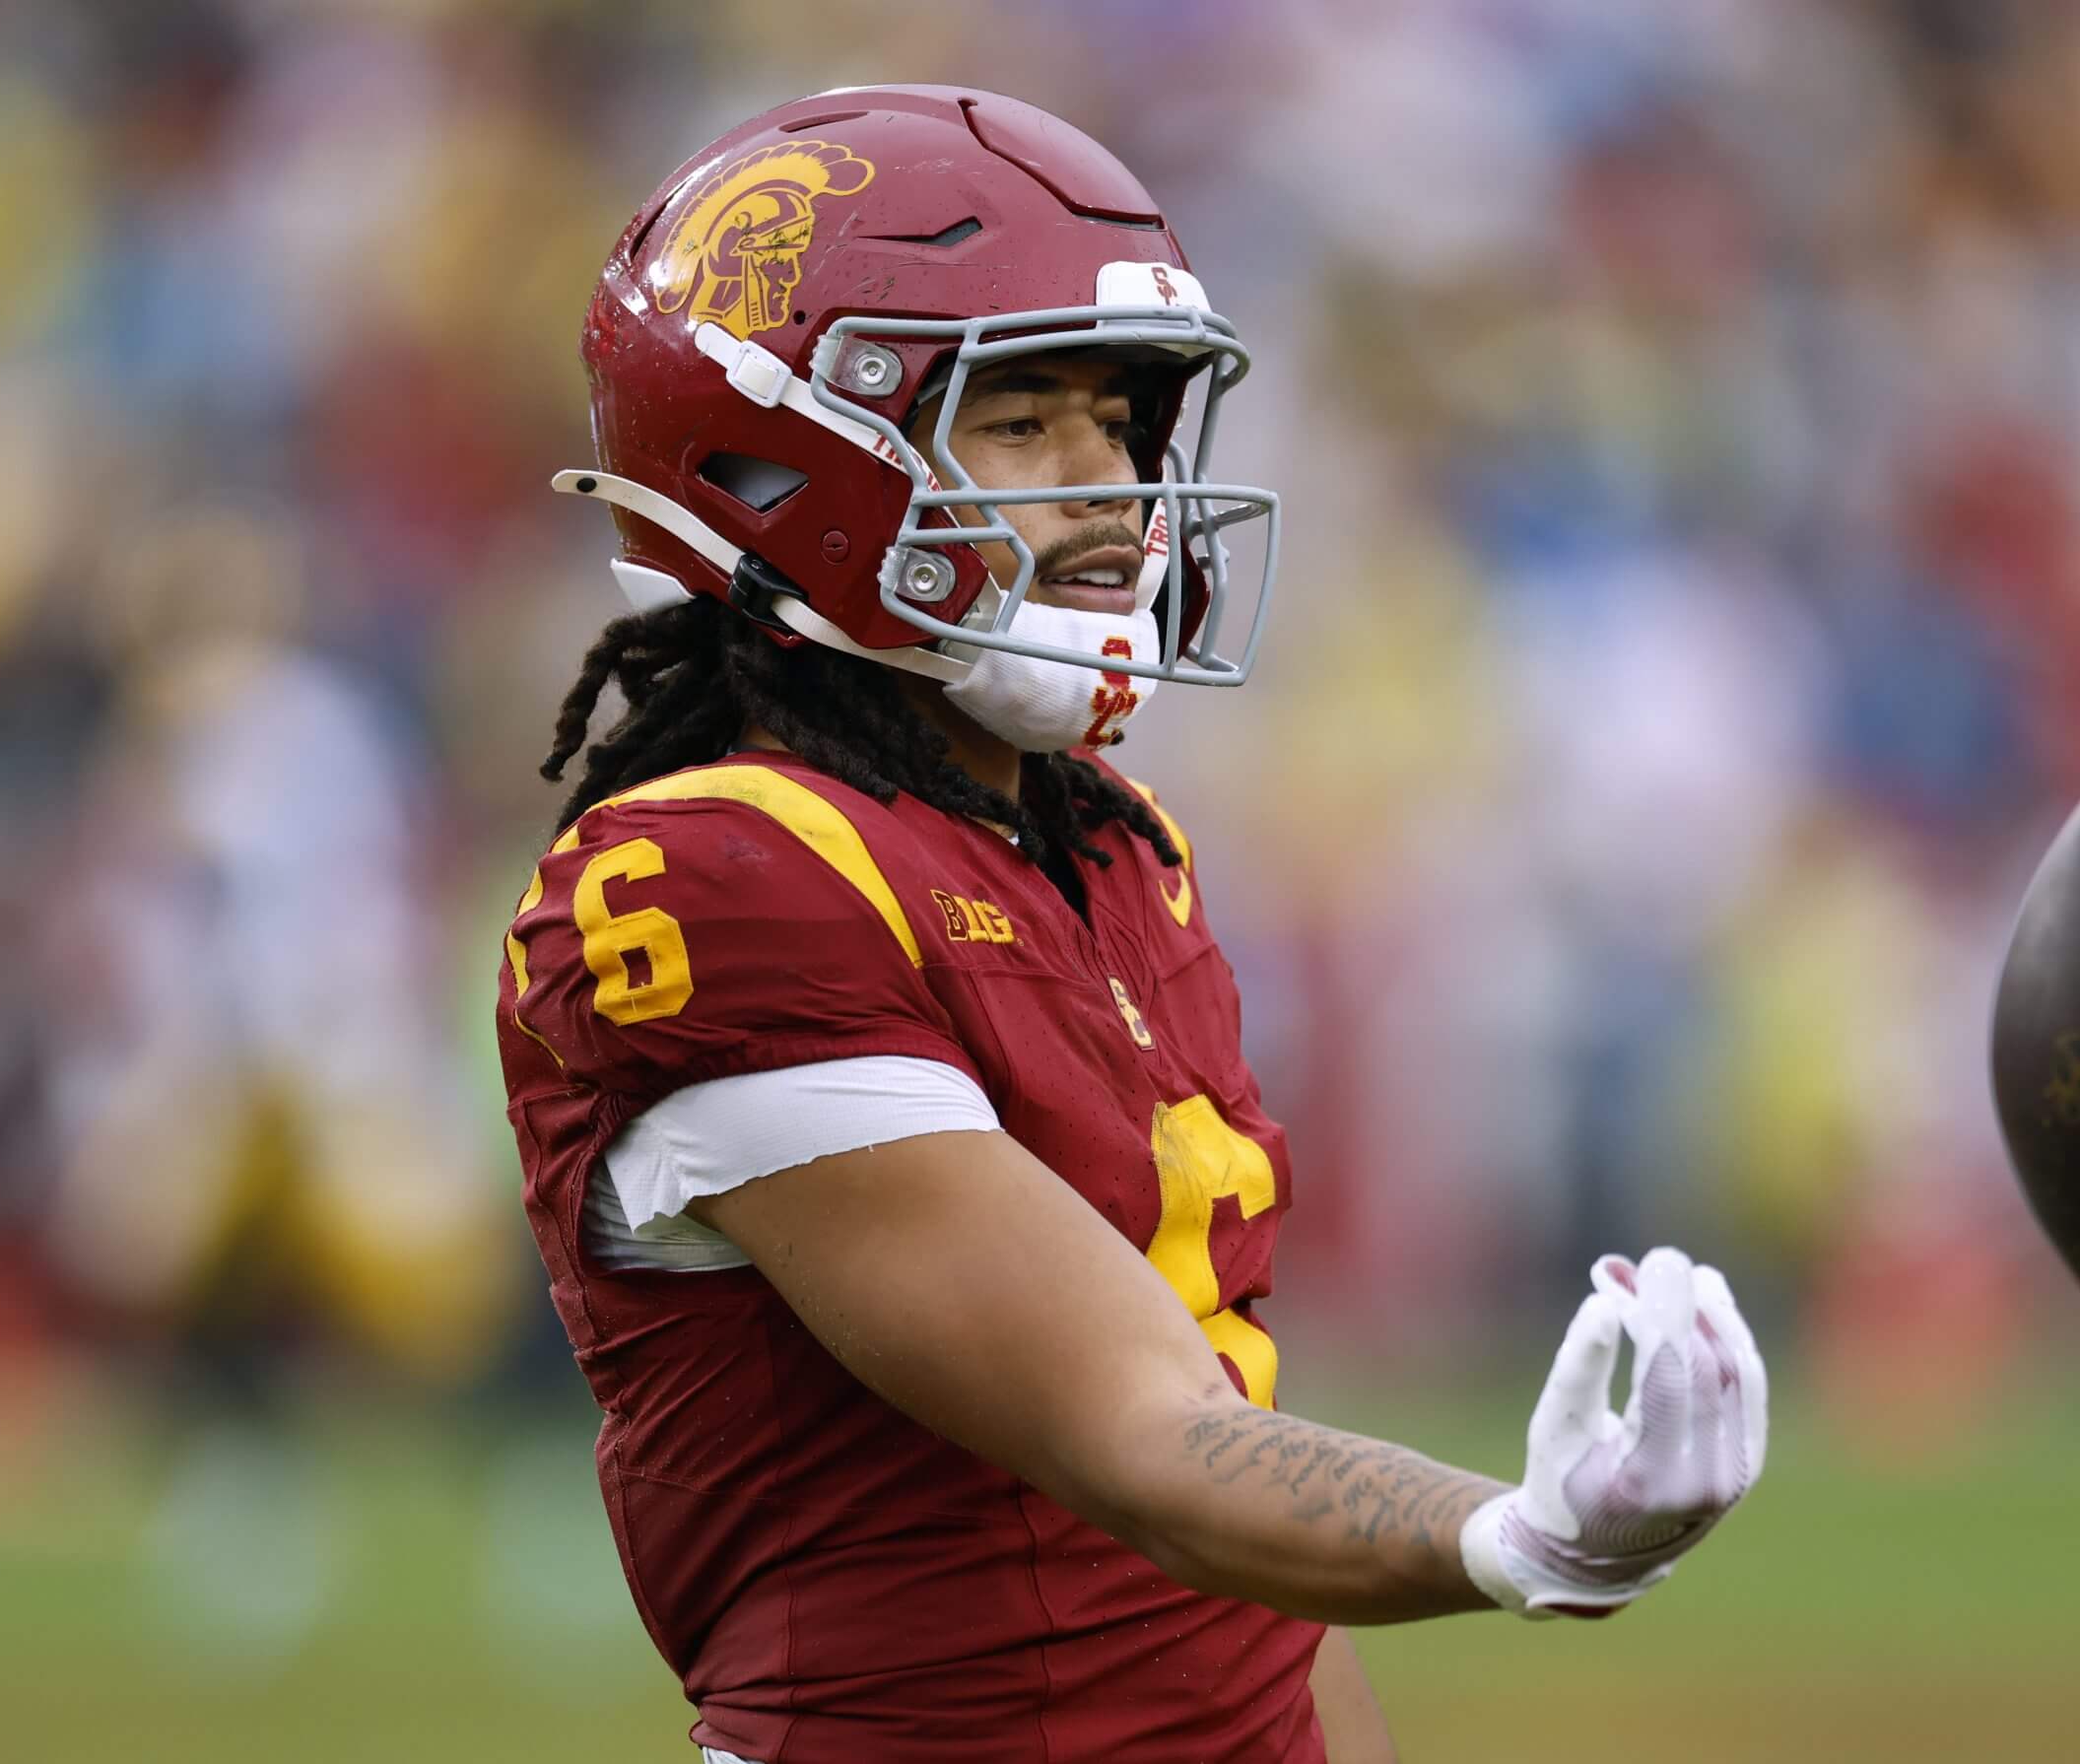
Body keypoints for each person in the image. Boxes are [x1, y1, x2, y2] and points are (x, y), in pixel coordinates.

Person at [498, 86, 1768, 1764]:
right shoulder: (717, 878)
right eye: (1021, 423)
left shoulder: (1107, 849)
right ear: (779, 458)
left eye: (1120, 419)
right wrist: (1513, 1535)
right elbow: (1137, 1438)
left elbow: (1222, 1525)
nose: (1113, 486)